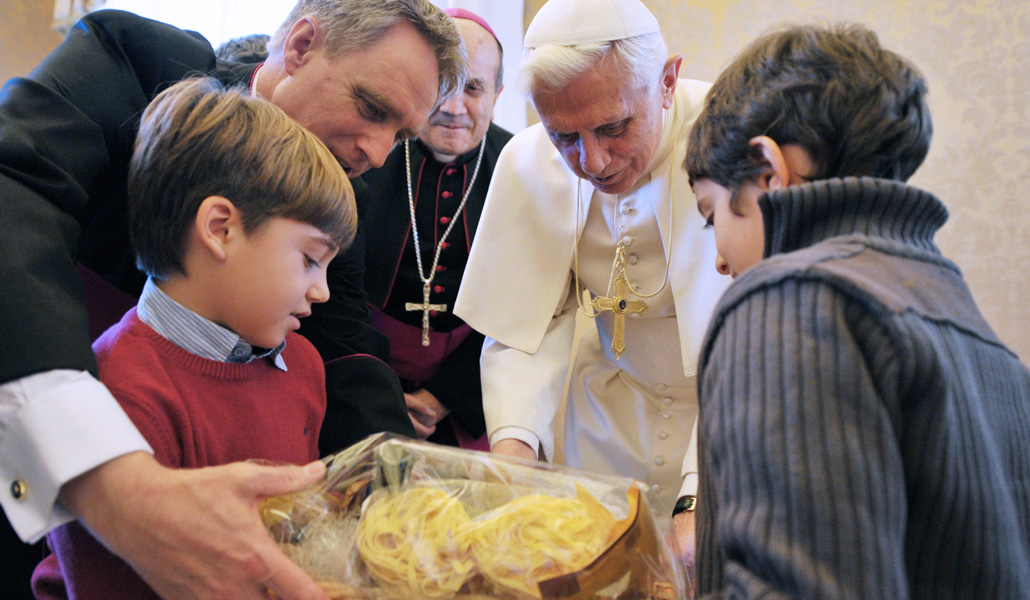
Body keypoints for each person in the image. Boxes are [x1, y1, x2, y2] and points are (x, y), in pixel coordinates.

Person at [0, 2, 464, 599]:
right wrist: (111, 484)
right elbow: (14, 193)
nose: (378, 153)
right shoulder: (129, 58)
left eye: (400, 134)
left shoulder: (339, 185)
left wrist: (404, 493)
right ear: (299, 46)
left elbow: (345, 346)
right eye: (372, 108)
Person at [685, 23, 1030, 599]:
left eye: (710, 212)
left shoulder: (788, 300)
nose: (719, 261)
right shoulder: (987, 343)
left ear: (768, 172)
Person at [30, 76, 354, 600]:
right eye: (311, 259)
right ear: (220, 228)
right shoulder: (115, 392)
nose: (321, 291)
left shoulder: (304, 363)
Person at [454, 0, 729, 533]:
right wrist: (513, 459)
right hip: (600, 428)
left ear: (667, 80)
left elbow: (753, 344)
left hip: (724, 423)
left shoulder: (730, 140)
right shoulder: (529, 162)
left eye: (615, 126)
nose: (593, 161)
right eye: (564, 136)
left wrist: (701, 500)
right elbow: (526, 330)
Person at [361, 7, 512, 450]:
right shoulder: (368, 151)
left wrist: (446, 396)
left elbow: (526, 308)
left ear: (497, 94)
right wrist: (382, 394)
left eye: (473, 88)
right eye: (442, 86)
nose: (452, 108)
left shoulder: (520, 168)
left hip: (472, 392)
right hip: (365, 379)